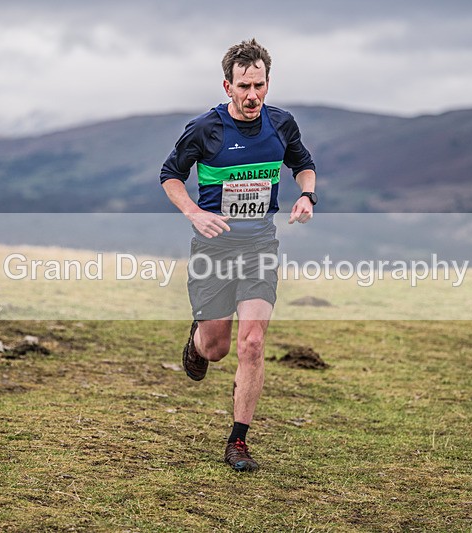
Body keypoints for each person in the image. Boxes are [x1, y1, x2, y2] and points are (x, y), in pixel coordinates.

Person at [160, 38, 317, 472]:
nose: (252, 95)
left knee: (252, 342)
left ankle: (238, 441)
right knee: (217, 349)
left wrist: (307, 195)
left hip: (259, 246)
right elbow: (171, 175)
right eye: (244, 86)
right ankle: (198, 339)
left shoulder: (281, 124)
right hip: (214, 248)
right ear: (227, 86)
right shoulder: (204, 129)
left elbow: (303, 164)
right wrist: (194, 213)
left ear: (268, 83)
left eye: (259, 85)